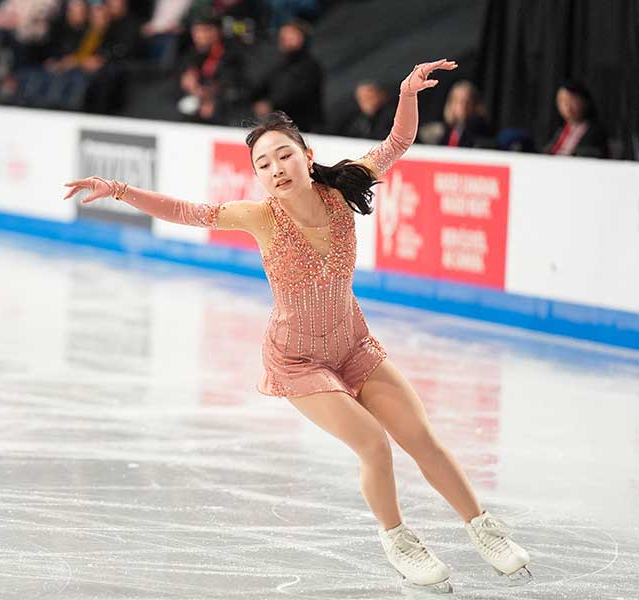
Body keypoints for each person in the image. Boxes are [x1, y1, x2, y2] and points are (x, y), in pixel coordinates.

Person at [63, 58, 533, 592]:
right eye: (264, 164)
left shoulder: (342, 190)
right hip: (298, 360)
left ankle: (482, 528)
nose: (276, 168)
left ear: (308, 156)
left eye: (284, 154)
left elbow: (397, 142)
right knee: (374, 444)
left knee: (419, 436)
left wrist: (405, 93)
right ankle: (399, 540)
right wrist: (121, 189)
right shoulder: (259, 217)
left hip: (354, 343)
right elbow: (186, 211)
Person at [249, 19, 323, 133]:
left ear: (302, 38)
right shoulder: (279, 64)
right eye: (283, 36)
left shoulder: (310, 66)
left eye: (290, 36)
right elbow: (263, 84)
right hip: (280, 123)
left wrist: (271, 104)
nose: (284, 39)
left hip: (303, 126)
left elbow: (297, 93)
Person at [543, 80, 609, 159]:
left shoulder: (595, 131)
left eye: (572, 100)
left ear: (585, 101)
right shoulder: (561, 130)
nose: (567, 106)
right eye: (562, 101)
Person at [438, 80, 493, 148]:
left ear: (475, 104)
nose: (463, 106)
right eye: (458, 101)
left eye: (467, 101)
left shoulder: (481, 130)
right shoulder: (447, 130)